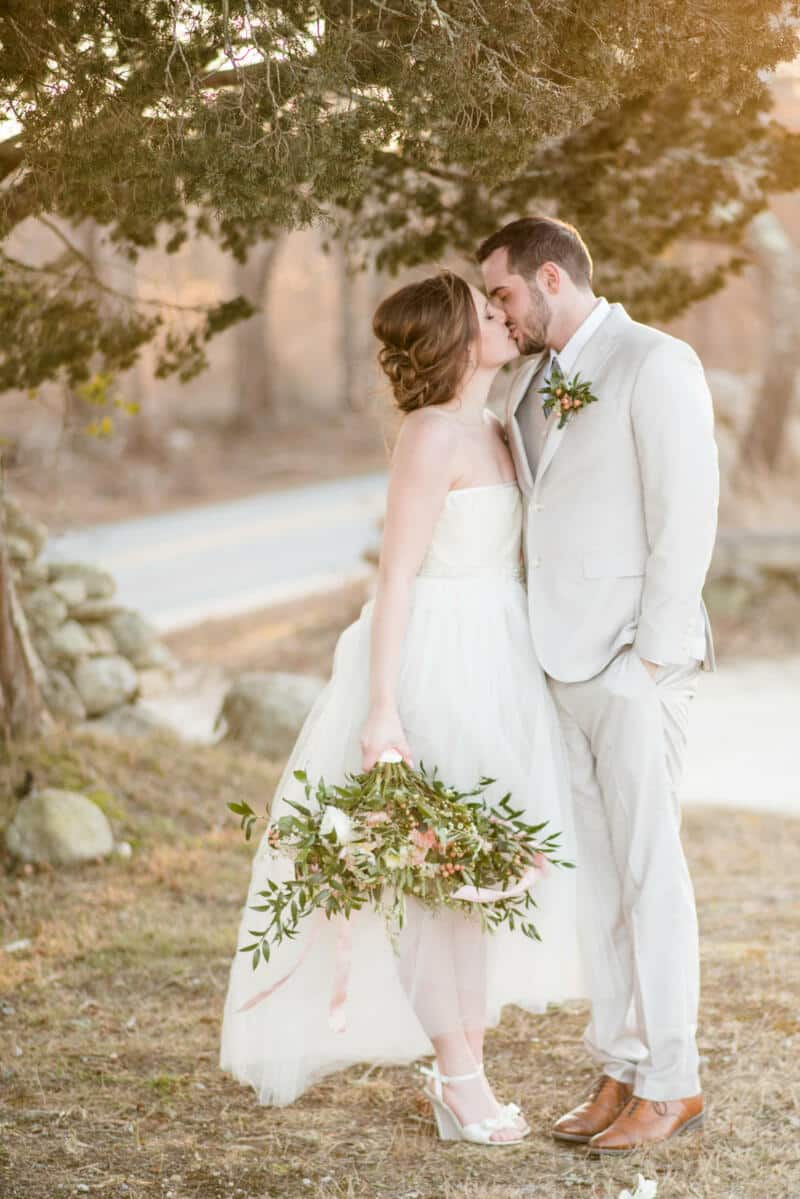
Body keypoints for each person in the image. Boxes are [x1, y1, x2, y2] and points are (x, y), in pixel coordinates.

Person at [219, 270, 583, 1144]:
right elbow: (396, 579)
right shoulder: (429, 436)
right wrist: (383, 709)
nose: (503, 318)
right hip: (436, 663)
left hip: (501, 658)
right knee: (436, 882)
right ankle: (462, 1083)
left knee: (481, 879)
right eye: (487, 312)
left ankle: (468, 1068)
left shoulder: (496, 425)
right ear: (457, 341)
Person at [479, 215, 719, 1153]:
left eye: (501, 294)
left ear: (549, 277)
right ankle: (620, 1061)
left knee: (652, 875)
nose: (496, 313)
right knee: (597, 883)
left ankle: (674, 1080)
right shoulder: (531, 381)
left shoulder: (657, 362)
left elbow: (686, 517)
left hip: (632, 668)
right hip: (558, 663)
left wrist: (646, 666)